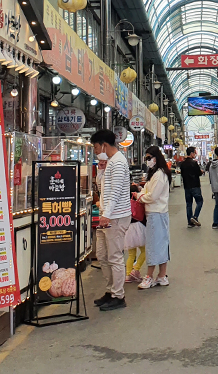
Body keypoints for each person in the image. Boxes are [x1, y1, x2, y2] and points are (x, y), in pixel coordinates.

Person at [92, 129, 132, 311]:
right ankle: (110, 291)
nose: (95, 150)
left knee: (114, 256)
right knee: (102, 255)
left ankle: (118, 295)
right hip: (106, 216)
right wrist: (100, 171)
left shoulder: (118, 163)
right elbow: (104, 188)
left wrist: (107, 214)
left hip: (115, 217)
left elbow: (115, 192)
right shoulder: (109, 163)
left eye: (95, 147)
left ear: (104, 145)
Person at [136, 146, 172, 289]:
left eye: (149, 158)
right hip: (154, 213)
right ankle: (161, 276)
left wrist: (139, 196)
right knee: (159, 244)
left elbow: (152, 196)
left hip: (157, 213)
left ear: (156, 158)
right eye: (146, 158)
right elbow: (147, 191)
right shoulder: (155, 173)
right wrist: (141, 193)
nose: (148, 160)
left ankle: (151, 276)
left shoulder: (160, 174)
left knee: (154, 245)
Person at [124, 184, 147, 283]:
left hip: (128, 228)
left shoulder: (124, 202)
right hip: (139, 227)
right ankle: (136, 269)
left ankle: (128, 275)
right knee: (145, 251)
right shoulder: (138, 201)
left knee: (131, 254)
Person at [179, 146, 204, 227]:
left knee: (189, 204)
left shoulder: (182, 164)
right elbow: (198, 173)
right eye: (195, 152)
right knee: (199, 202)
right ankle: (195, 217)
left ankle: (190, 222)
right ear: (192, 153)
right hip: (195, 185)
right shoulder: (194, 163)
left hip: (187, 186)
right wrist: (201, 171)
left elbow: (182, 174)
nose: (195, 154)